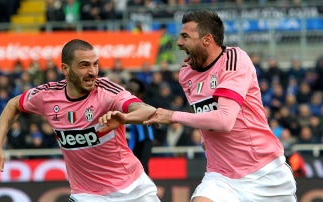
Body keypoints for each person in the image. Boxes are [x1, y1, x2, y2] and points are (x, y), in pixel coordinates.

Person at [99, 10, 297, 202]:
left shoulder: (234, 60)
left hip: (266, 174)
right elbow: (203, 112)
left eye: (185, 36)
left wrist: (172, 116)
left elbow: (225, 120)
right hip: (221, 177)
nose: (179, 43)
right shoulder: (187, 74)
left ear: (207, 40)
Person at [0, 39, 160, 202]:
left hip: (133, 190)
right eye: (84, 65)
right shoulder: (48, 96)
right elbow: (13, 105)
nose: (92, 72)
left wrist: (126, 117)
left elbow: (148, 111)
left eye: (95, 64)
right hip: (86, 195)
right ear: (65, 69)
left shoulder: (107, 92)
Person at [125, 78, 155, 175]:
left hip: (133, 168)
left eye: (132, 91)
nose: (128, 93)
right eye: (127, 89)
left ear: (140, 95)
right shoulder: (115, 111)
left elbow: (146, 144)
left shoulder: (143, 116)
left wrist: (142, 171)